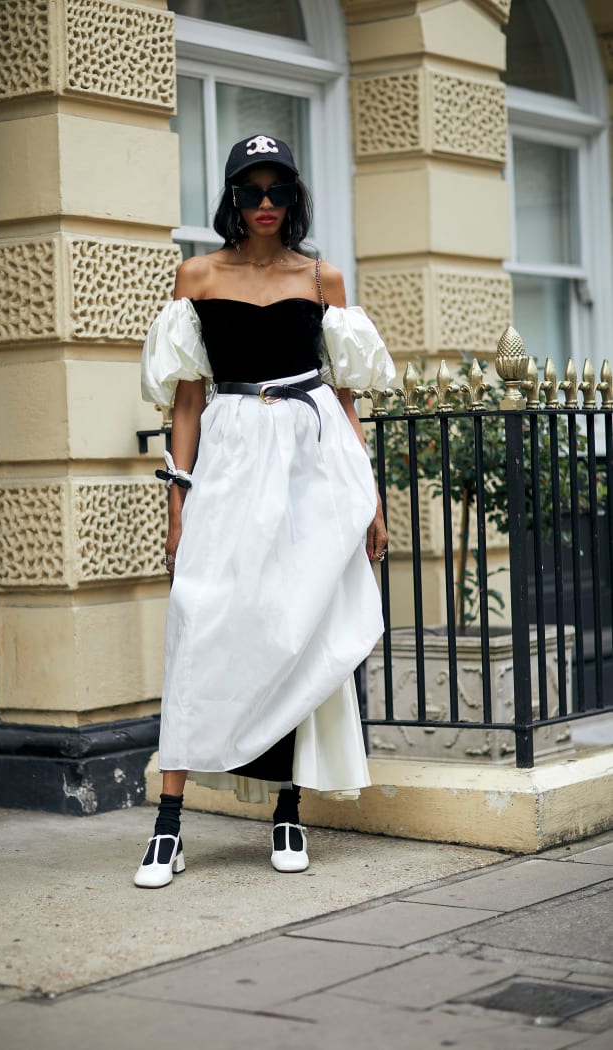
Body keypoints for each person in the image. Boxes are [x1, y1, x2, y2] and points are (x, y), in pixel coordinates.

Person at [136, 133, 396, 888]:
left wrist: (369, 497)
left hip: (314, 458)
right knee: (200, 616)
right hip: (230, 452)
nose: (266, 205)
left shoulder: (321, 277)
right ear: (230, 199)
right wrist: (178, 499)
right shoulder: (198, 274)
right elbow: (187, 397)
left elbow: (344, 395)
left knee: (299, 624)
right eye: (250, 192)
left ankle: (288, 809)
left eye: (278, 190)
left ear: (294, 197)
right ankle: (168, 822)